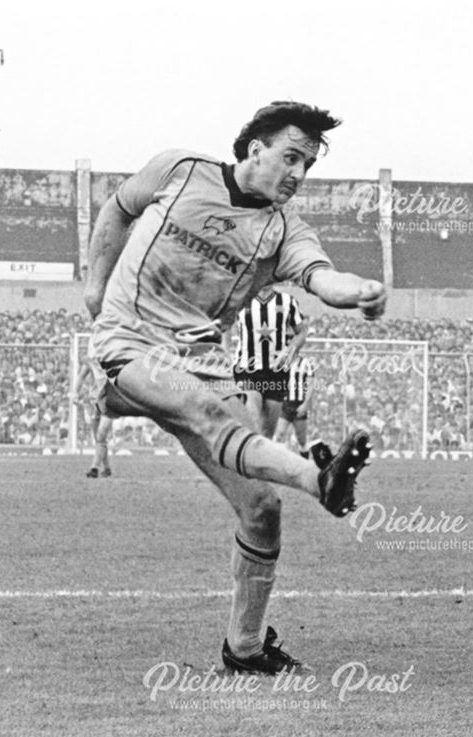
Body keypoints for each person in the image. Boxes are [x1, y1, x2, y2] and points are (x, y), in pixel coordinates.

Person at [83, 101, 387, 674]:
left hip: (202, 362)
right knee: (205, 412)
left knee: (262, 507)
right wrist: (95, 288)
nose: (298, 174)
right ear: (255, 149)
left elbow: (320, 277)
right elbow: (116, 211)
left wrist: (359, 290)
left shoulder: (282, 230)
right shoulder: (179, 169)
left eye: (308, 165)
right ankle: (319, 478)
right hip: (130, 341)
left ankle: (244, 648)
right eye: (291, 157)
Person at [233, 285, 310, 438]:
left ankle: (259, 459)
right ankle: (245, 457)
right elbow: (224, 327)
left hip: (277, 372)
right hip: (247, 370)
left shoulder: (287, 301)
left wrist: (289, 351)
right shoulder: (241, 298)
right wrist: (224, 352)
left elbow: (301, 332)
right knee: (252, 420)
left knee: (267, 432)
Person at [73, 344, 114, 478]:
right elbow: (81, 375)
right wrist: (75, 393)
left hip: (110, 402)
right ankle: (106, 468)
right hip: (95, 402)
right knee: (99, 438)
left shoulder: (115, 360)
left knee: (101, 436)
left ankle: (94, 468)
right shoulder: (93, 361)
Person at [273, 354, 316, 458]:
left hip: (299, 405)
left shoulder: (306, 362)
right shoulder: (282, 362)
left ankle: (305, 465)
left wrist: (305, 404)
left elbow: (310, 385)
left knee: (302, 440)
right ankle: (276, 463)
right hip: (285, 404)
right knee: (279, 435)